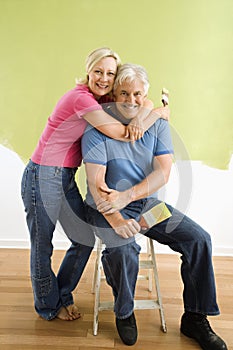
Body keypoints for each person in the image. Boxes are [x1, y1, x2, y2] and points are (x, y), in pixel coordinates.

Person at [82, 63, 228, 349]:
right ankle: (125, 311)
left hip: (146, 204)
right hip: (104, 207)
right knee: (124, 249)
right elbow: (96, 185)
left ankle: (195, 318)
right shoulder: (97, 130)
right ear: (113, 95)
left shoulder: (157, 125)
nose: (131, 101)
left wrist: (129, 196)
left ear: (145, 94)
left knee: (199, 239)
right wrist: (119, 214)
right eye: (124, 93)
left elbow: (163, 172)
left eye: (137, 94)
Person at [21, 48, 169, 322]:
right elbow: (123, 134)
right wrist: (158, 114)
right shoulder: (82, 100)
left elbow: (141, 99)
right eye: (98, 71)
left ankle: (62, 296)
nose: (103, 78)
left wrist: (149, 111)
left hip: (66, 177)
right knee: (42, 245)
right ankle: (49, 307)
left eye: (110, 73)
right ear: (88, 70)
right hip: (42, 176)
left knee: (83, 238)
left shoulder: (106, 99)